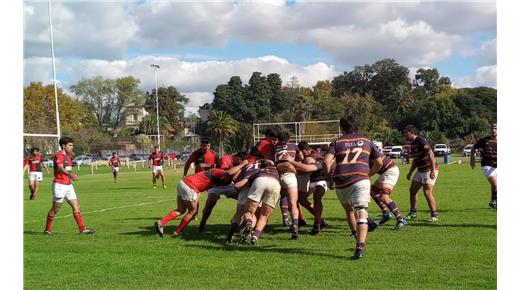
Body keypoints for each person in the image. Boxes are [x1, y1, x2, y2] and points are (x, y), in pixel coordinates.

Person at [324, 116, 383, 259]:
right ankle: (360, 247)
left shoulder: (337, 142)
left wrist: (329, 179)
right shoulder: (367, 140)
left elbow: (326, 162)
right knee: (361, 211)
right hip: (360, 179)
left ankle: (356, 234)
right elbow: (379, 162)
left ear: (341, 127)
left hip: (341, 181)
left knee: (349, 210)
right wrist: (369, 173)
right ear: (357, 126)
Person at [154, 160, 248, 237]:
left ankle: (161, 222)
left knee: (181, 209)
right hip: (190, 186)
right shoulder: (215, 171)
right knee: (193, 212)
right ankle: (177, 232)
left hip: (182, 183)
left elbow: (228, 178)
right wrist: (243, 164)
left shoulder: (220, 179)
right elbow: (229, 172)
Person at [43, 137, 95, 235]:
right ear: (63, 146)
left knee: (76, 206)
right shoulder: (58, 155)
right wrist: (71, 175)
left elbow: (68, 166)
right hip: (59, 185)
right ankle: (47, 229)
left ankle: (82, 229)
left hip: (68, 185)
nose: (72, 147)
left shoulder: (68, 156)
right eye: (70, 145)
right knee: (56, 208)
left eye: (72, 145)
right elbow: (60, 168)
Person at [198, 152, 246, 231]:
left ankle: (236, 222)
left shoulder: (237, 163)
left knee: (244, 200)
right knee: (211, 203)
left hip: (229, 185)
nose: (240, 163)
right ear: (238, 158)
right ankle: (203, 222)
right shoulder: (226, 159)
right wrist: (241, 166)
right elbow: (227, 173)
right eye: (240, 161)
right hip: (215, 186)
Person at [402, 125, 440, 222]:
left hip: (429, 170)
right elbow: (416, 160)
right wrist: (410, 172)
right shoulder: (413, 144)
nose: (404, 135)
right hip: (420, 170)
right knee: (412, 190)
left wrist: (432, 170)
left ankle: (434, 215)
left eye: (406, 132)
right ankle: (413, 212)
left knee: (427, 192)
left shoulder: (420, 141)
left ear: (412, 132)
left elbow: (431, 154)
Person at [238, 164, 281, 245]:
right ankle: (255, 237)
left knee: (248, 212)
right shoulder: (277, 170)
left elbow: (247, 184)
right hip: (275, 183)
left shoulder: (257, 171)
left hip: (260, 180)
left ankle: (248, 224)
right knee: (264, 217)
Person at [273, 131, 304, 240]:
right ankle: (295, 224)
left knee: (276, 200)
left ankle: (262, 225)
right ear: (289, 138)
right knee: (293, 203)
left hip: (277, 175)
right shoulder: (293, 146)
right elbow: (301, 156)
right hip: (289, 175)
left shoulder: (274, 148)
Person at [370, 155, 407, 230]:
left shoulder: (366, 151)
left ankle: (400, 219)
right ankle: (386, 214)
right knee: (373, 191)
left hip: (390, 170)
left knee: (384, 197)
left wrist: (369, 175)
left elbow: (379, 163)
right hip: (385, 172)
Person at [471, 123, 497, 209]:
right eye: (492, 129)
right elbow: (474, 148)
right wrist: (472, 159)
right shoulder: (484, 140)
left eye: (495, 129)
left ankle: (493, 201)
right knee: (496, 184)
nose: (493, 131)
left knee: (494, 185)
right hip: (487, 165)